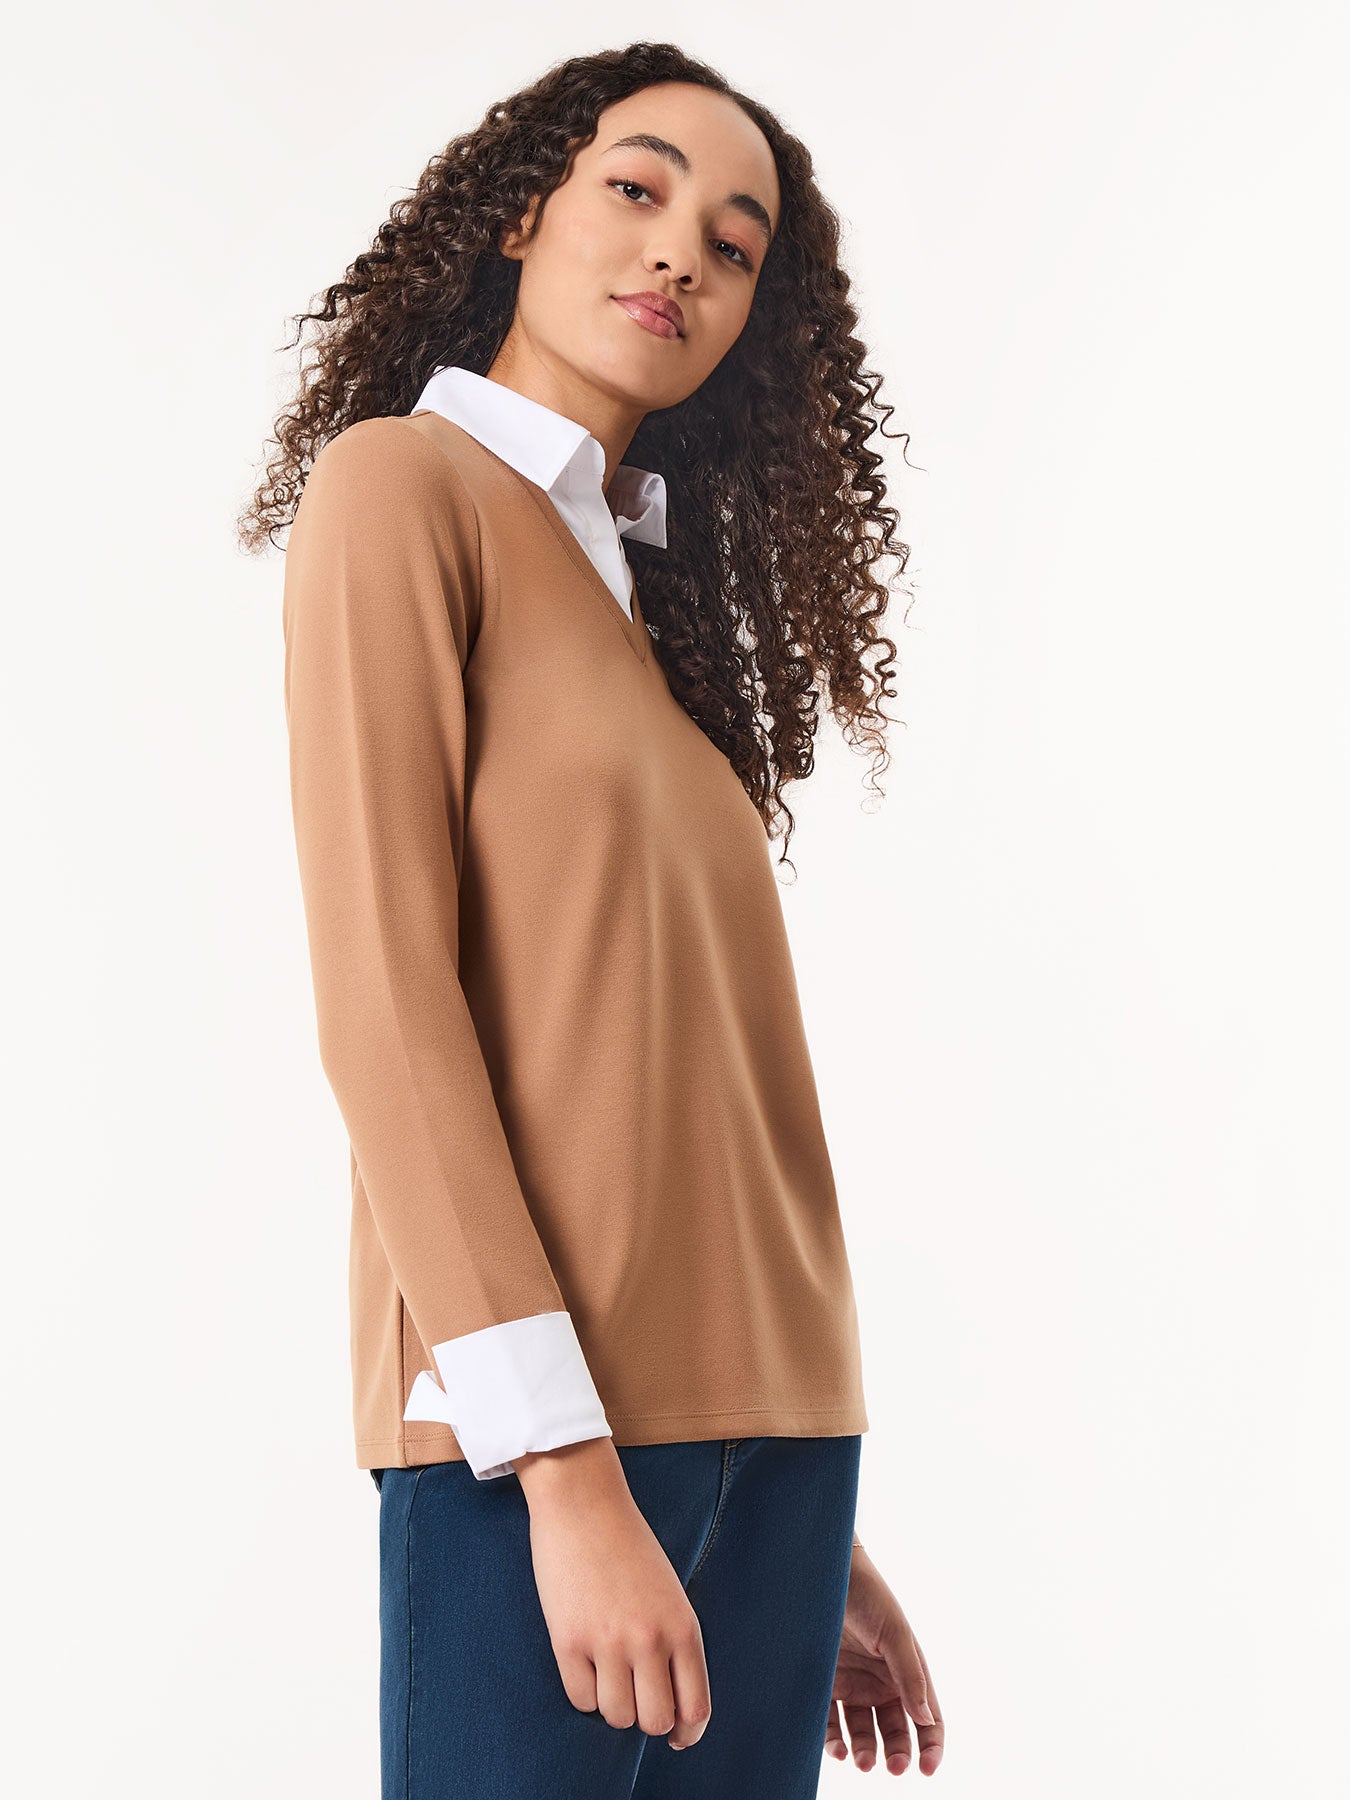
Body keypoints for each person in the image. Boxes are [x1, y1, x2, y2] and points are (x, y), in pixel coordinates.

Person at [238, 39, 944, 1798]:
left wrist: (807, 1515)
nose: (679, 252)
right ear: (518, 215)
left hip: (775, 1446)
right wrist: (563, 1472)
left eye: (733, 243)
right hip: (540, 1445)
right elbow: (385, 1001)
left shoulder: (640, 606)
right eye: (636, 188)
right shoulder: (402, 490)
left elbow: (676, 1070)